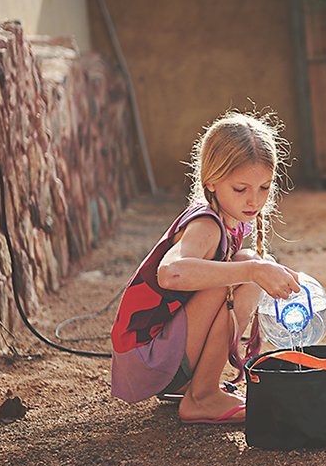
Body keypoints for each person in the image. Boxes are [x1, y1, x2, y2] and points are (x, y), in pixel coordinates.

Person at [110, 110, 300, 425]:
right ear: (210, 180)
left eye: (264, 187)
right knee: (249, 269)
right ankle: (203, 396)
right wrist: (253, 273)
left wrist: (262, 270)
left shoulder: (234, 218)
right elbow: (170, 273)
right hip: (148, 359)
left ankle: (192, 387)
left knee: (251, 263)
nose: (254, 200)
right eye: (241, 189)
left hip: (162, 361)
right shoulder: (206, 225)